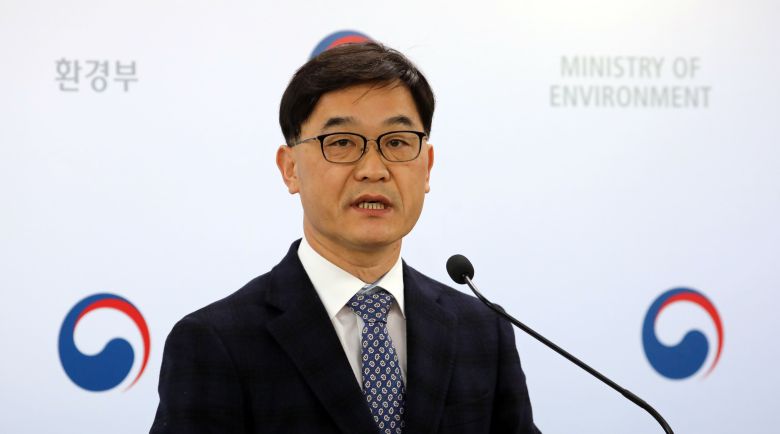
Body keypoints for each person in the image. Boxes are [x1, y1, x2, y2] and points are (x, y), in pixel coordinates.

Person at [150, 41, 541, 434]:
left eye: (397, 142)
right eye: (341, 143)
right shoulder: (216, 342)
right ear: (290, 169)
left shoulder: (482, 330)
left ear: (427, 167)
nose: (373, 169)